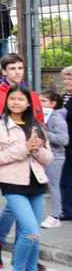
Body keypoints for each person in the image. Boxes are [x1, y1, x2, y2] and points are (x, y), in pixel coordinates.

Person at [0, 53, 45, 269]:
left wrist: (38, 143)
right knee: (16, 205)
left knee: (19, 207)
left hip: (31, 160)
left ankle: (19, 251)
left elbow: (40, 123)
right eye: (13, 68)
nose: (17, 72)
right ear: (4, 70)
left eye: (20, 68)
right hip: (8, 160)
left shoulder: (31, 95)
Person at [0, 85, 55, 271]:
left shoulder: (37, 126)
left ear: (28, 103)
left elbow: (48, 159)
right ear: (7, 101)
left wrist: (38, 149)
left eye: (20, 99)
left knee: (34, 236)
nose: (16, 102)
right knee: (31, 231)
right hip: (12, 184)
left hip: (36, 183)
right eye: (12, 98)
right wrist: (24, 148)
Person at [39, 90, 68, 229]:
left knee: (54, 187)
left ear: (53, 103)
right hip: (46, 155)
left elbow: (64, 140)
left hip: (56, 157)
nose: (40, 103)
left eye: (43, 101)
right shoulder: (45, 116)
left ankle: (55, 216)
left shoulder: (57, 118)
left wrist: (45, 133)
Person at [61, 66, 72, 221]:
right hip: (65, 144)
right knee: (65, 179)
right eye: (65, 78)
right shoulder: (64, 97)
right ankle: (67, 209)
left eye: (70, 78)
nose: (67, 81)